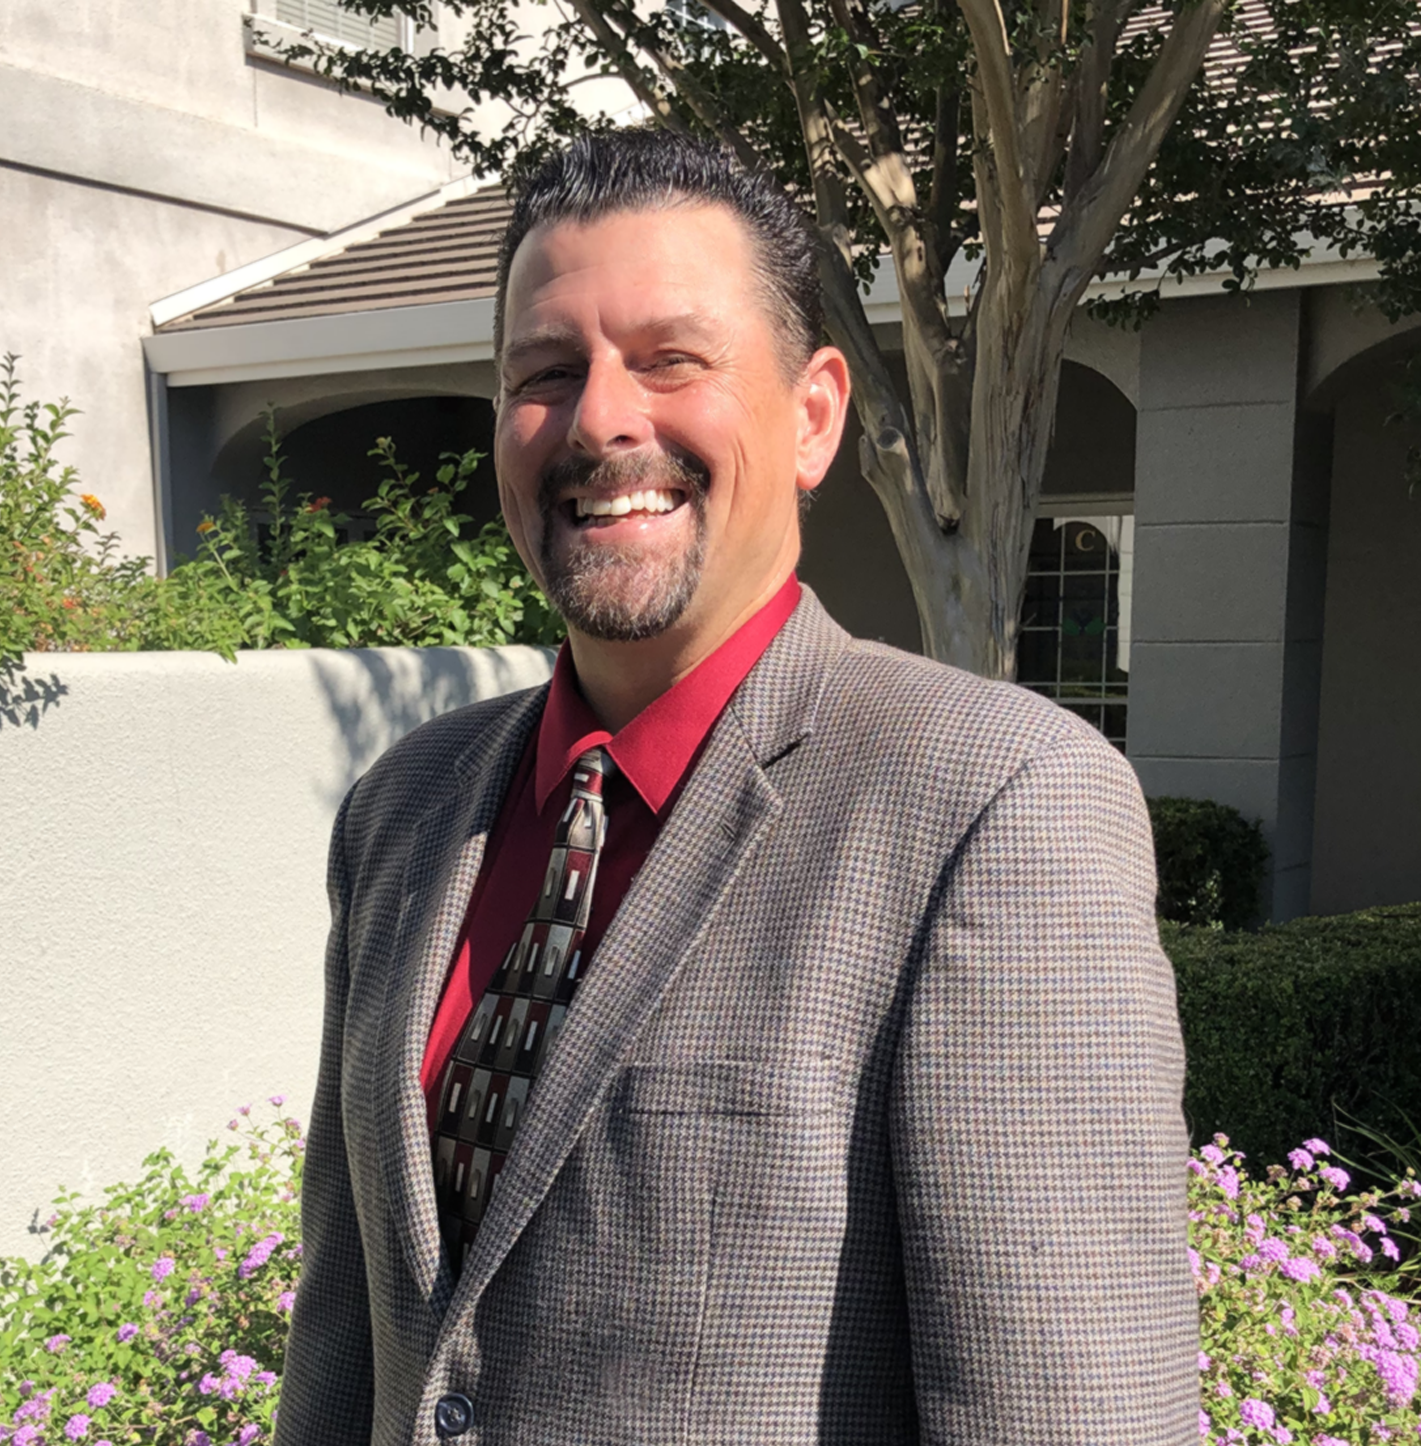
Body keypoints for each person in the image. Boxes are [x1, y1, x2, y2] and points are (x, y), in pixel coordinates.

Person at [274, 129, 1198, 1446]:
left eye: (670, 359)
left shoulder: (1000, 806)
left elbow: (1068, 1414)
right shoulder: (404, 812)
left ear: (813, 415)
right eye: (546, 372)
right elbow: (342, 1346)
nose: (599, 419)